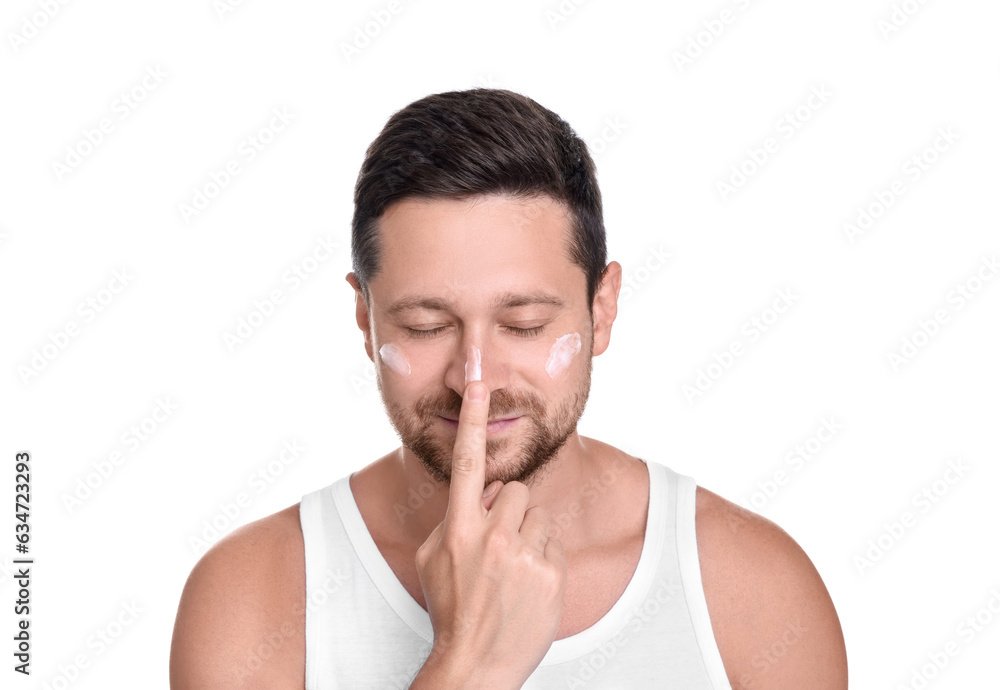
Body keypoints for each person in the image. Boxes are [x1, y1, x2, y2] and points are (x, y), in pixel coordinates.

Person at [170, 88, 848, 689]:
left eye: (522, 324)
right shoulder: (254, 594)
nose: (476, 380)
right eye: (427, 324)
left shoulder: (752, 590)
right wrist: (470, 666)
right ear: (364, 319)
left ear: (602, 309)